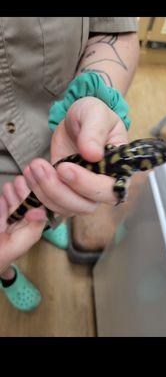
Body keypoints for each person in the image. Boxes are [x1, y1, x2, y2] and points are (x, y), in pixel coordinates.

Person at [0, 17, 139, 311]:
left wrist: (95, 99)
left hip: (55, 142)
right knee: (6, 241)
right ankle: (6, 274)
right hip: (27, 177)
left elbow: (113, 29)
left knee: (51, 201)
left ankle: (48, 220)